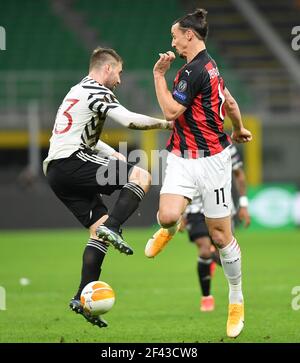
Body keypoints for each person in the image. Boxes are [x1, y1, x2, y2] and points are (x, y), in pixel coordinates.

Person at [43, 47, 171, 328]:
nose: (120, 81)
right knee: (141, 176)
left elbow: (77, 133)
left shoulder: (77, 90)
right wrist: (168, 123)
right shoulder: (97, 90)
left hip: (56, 170)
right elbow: (130, 121)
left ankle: (81, 298)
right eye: (119, 73)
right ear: (108, 69)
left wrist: (110, 152)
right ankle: (113, 226)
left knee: (96, 231)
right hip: (72, 161)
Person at [144, 9, 252, 338]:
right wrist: (240, 127)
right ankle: (167, 230)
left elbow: (170, 111)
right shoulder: (210, 66)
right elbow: (229, 101)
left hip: (213, 162)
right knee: (166, 216)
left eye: (175, 35)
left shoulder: (191, 71)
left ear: (190, 35)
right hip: (181, 156)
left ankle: (236, 299)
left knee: (220, 238)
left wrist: (158, 75)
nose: (173, 41)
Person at [180, 144, 251, 312]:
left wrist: (244, 205)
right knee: (204, 250)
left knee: (224, 250)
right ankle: (206, 297)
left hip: (222, 207)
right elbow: (180, 182)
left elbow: (239, 174)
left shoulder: (227, 147)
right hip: (195, 208)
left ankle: (218, 267)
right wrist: (180, 213)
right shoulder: (184, 147)